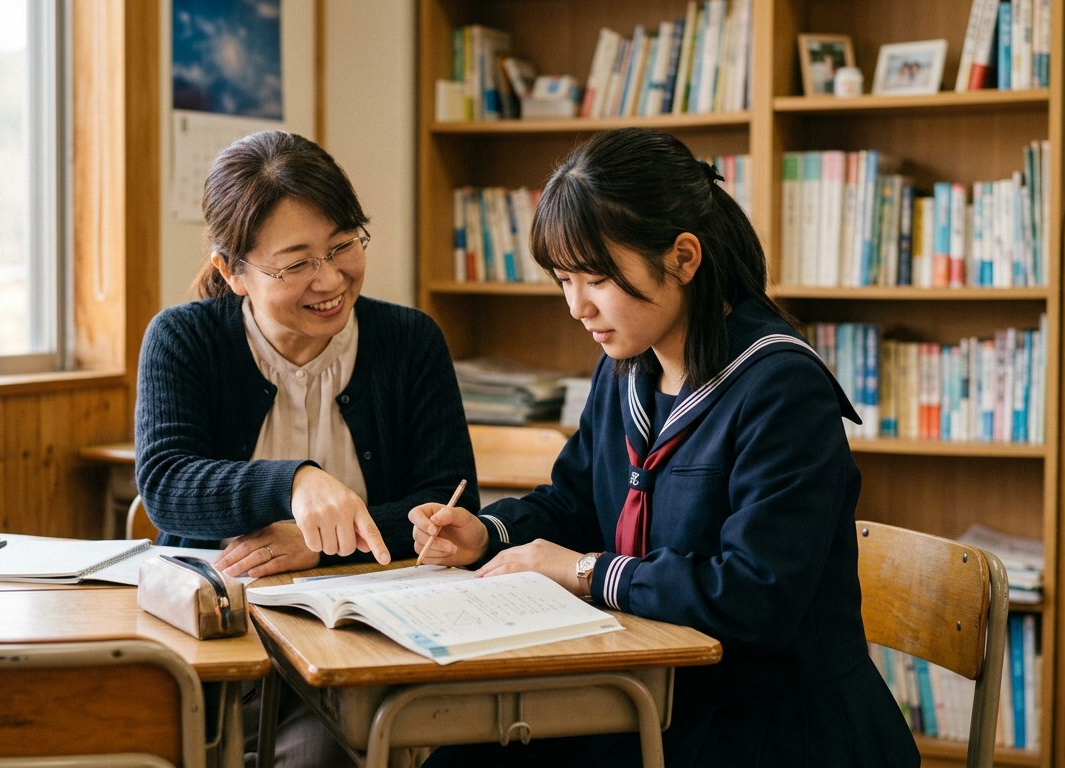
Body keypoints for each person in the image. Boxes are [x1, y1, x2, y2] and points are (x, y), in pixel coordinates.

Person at [411, 128, 918, 767]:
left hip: (774, 722)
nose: (576, 307)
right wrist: (487, 533)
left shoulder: (783, 388)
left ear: (683, 257)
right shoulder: (627, 367)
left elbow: (755, 594)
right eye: (563, 280)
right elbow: (575, 502)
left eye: (596, 278)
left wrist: (584, 571)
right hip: (654, 690)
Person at [135, 130, 478, 767]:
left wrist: (321, 543)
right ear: (232, 272)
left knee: (325, 752)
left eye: (343, 245)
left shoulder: (409, 341)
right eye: (296, 263)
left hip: (365, 637)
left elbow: (447, 507)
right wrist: (294, 482)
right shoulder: (183, 339)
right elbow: (166, 484)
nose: (330, 279)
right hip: (223, 633)